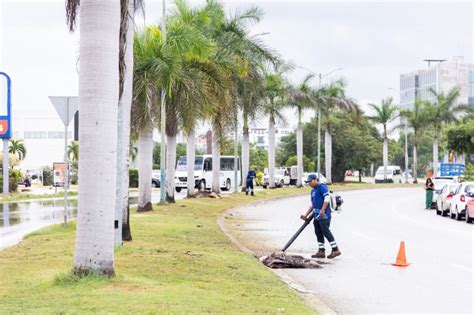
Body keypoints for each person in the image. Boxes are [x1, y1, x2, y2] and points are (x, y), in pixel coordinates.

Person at [300, 173, 341, 259]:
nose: (309, 183)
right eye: (308, 182)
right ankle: (321, 251)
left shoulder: (322, 187)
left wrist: (323, 209)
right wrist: (305, 214)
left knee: (325, 231)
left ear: (315, 180)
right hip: (316, 216)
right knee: (318, 232)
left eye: (310, 181)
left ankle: (335, 249)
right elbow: (312, 204)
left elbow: (326, 198)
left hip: (324, 215)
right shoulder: (313, 191)